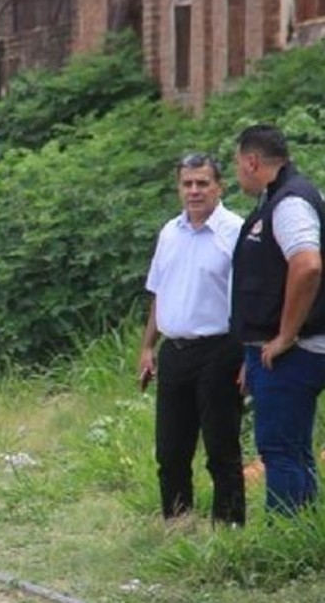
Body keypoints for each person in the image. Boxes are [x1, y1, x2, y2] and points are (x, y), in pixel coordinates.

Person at [230, 124, 325, 515]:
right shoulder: (281, 197)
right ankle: (306, 531)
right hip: (285, 350)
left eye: (238, 164)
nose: (238, 172)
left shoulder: (290, 202)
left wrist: (286, 334)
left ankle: (285, 537)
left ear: (252, 161)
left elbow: (307, 267)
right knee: (295, 448)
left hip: (295, 352)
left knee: (279, 450)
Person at [137, 154, 246, 525]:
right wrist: (148, 346)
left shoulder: (236, 232)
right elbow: (159, 293)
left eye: (203, 183)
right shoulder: (170, 232)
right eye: (188, 183)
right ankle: (177, 527)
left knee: (221, 449)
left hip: (220, 350)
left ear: (219, 186)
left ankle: (229, 530)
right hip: (175, 351)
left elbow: (251, 300)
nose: (195, 191)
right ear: (179, 187)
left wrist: (249, 355)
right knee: (170, 450)